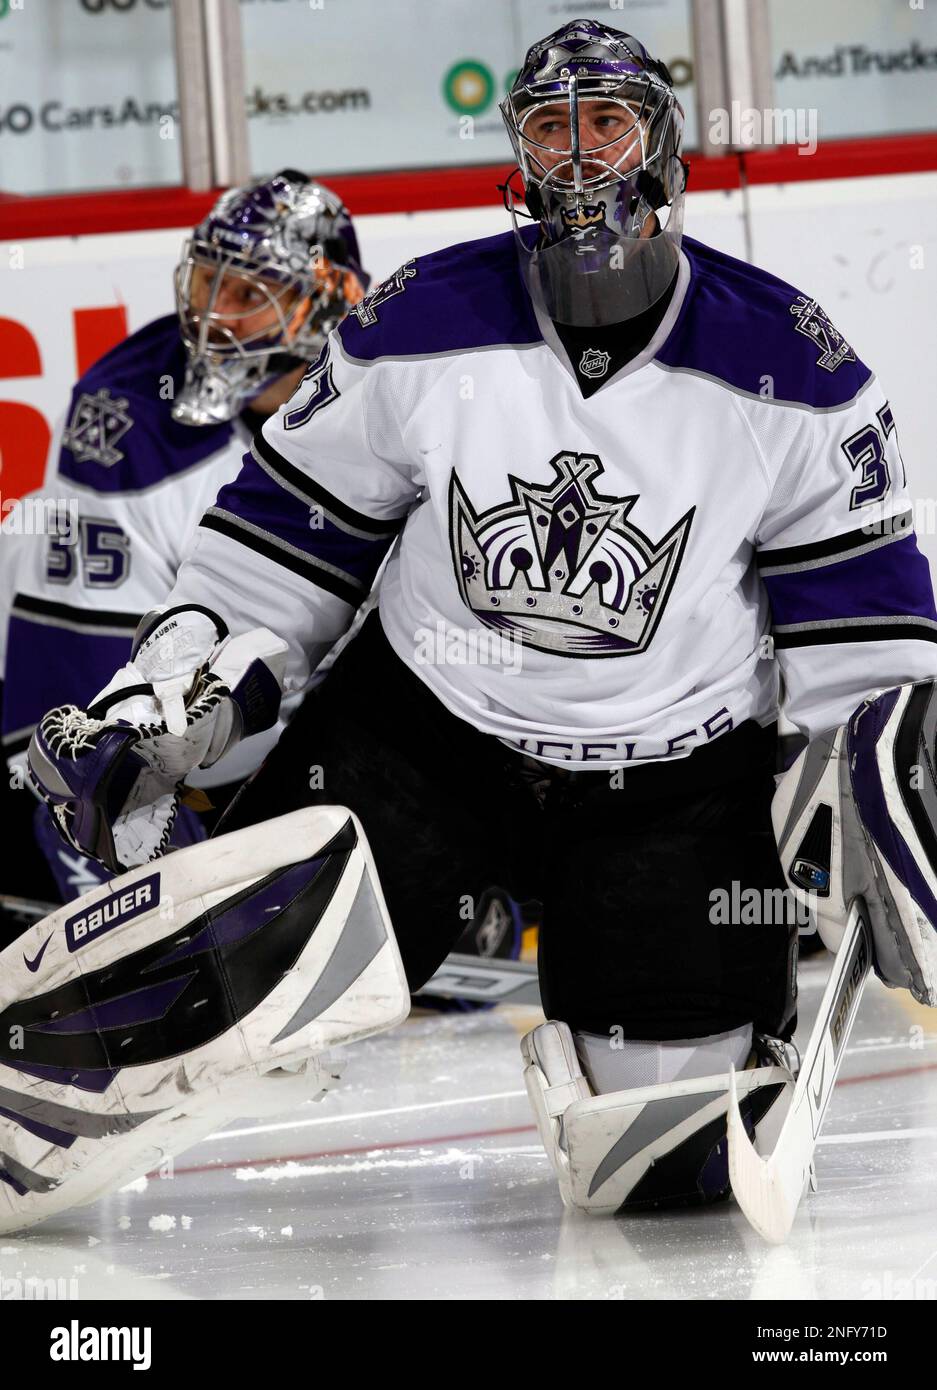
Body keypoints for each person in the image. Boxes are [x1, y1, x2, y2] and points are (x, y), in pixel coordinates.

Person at [22, 20, 937, 1217]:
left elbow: (861, 629)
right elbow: (287, 536)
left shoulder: (792, 365)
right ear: (515, 150)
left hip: (670, 787)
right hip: (423, 744)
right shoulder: (420, 317)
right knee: (219, 986)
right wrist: (185, 679)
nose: (577, 157)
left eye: (605, 124)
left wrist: (870, 786)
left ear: (663, 149)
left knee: (669, 1179)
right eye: (549, 128)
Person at [2, 169, 367, 909]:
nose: (212, 318)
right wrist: (161, 898)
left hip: (273, 733)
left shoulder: (391, 390)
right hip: (82, 747)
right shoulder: (133, 416)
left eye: (246, 295)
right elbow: (65, 700)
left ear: (323, 300)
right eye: (205, 285)